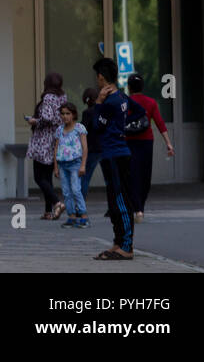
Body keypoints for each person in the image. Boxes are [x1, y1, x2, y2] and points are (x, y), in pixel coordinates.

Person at [91, 58, 134, 260]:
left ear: (101, 77)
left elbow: (97, 126)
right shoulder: (123, 97)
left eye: (97, 77)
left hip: (114, 154)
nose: (97, 81)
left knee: (120, 199)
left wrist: (98, 102)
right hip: (116, 152)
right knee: (114, 200)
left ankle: (126, 245)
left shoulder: (110, 102)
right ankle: (118, 242)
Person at [126, 73, 174, 222]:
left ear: (129, 87)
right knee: (145, 175)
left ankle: (137, 209)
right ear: (143, 87)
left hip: (128, 141)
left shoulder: (124, 102)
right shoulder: (151, 102)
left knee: (132, 174)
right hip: (146, 141)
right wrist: (168, 143)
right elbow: (160, 123)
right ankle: (141, 207)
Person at [25, 72, 67, 220]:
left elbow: (47, 118)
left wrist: (34, 121)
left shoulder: (48, 97)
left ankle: (57, 202)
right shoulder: (63, 97)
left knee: (38, 176)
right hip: (55, 138)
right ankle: (48, 211)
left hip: (43, 139)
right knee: (47, 176)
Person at [54, 102, 89, 228]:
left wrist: (83, 165)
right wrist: (56, 166)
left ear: (73, 114)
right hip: (63, 164)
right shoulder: (59, 130)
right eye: (62, 114)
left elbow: (85, 148)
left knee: (76, 189)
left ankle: (84, 216)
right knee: (66, 192)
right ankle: (71, 217)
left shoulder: (79, 128)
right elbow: (56, 148)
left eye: (68, 113)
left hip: (75, 163)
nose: (65, 116)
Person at [79, 87, 104, 203]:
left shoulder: (87, 113)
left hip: (92, 148)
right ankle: (113, 206)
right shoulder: (102, 110)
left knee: (85, 177)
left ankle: (80, 204)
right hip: (104, 147)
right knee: (109, 178)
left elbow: (83, 129)